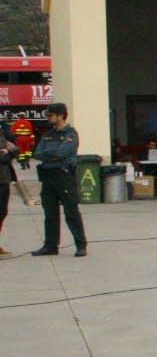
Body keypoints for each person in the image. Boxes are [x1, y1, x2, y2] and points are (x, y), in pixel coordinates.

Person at [31, 103, 88, 258]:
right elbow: (37, 153)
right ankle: (50, 245)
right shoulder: (47, 135)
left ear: (60, 116)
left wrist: (50, 154)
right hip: (48, 178)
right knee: (50, 214)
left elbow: (63, 152)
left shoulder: (70, 134)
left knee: (71, 212)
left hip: (64, 177)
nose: (48, 118)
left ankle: (81, 245)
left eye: (50, 115)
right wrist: (53, 155)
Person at [0, 128, 17, 255]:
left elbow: (15, 150)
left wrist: (7, 151)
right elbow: (4, 158)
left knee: (2, 213)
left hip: (4, 180)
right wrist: (6, 152)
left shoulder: (2, 135)